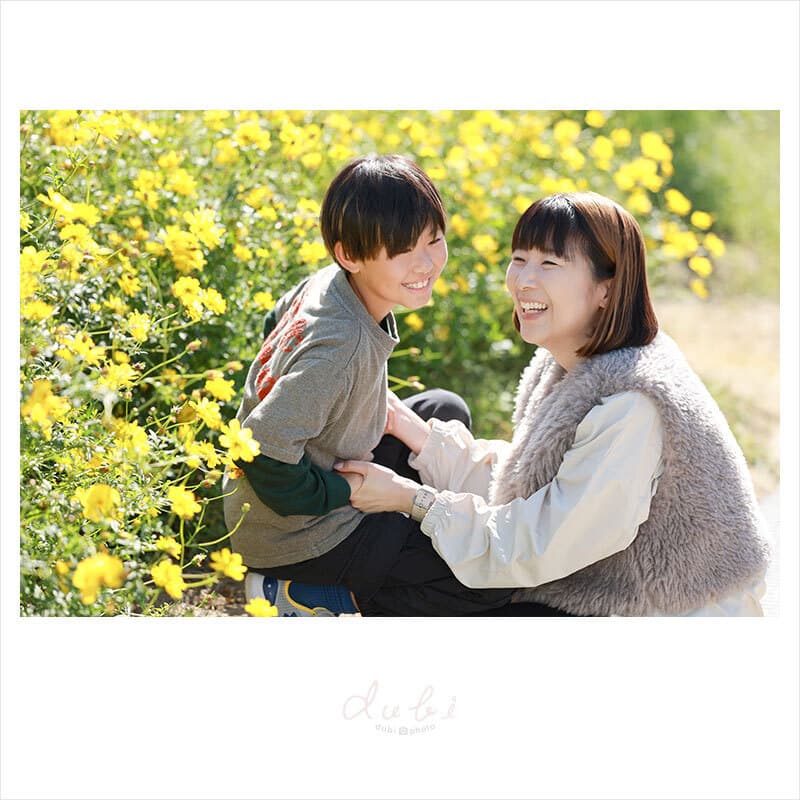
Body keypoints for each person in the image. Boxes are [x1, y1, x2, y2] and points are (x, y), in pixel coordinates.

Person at [334, 192, 770, 616]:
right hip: (591, 584)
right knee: (434, 426)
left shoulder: (633, 403)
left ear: (606, 288)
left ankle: (330, 601)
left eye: (550, 264)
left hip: (664, 615)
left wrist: (411, 499)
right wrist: (420, 436)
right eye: (519, 258)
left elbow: (539, 545)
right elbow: (530, 488)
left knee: (459, 595)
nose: (523, 280)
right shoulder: (571, 362)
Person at [223, 154, 514, 616]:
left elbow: (273, 321)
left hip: (316, 470)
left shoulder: (328, 283)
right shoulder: (340, 348)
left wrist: (341, 404)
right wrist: (343, 492)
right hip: (298, 533)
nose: (426, 263)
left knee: (444, 408)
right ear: (350, 255)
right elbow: (260, 451)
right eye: (402, 251)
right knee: (486, 580)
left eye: (434, 240)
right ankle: (305, 596)